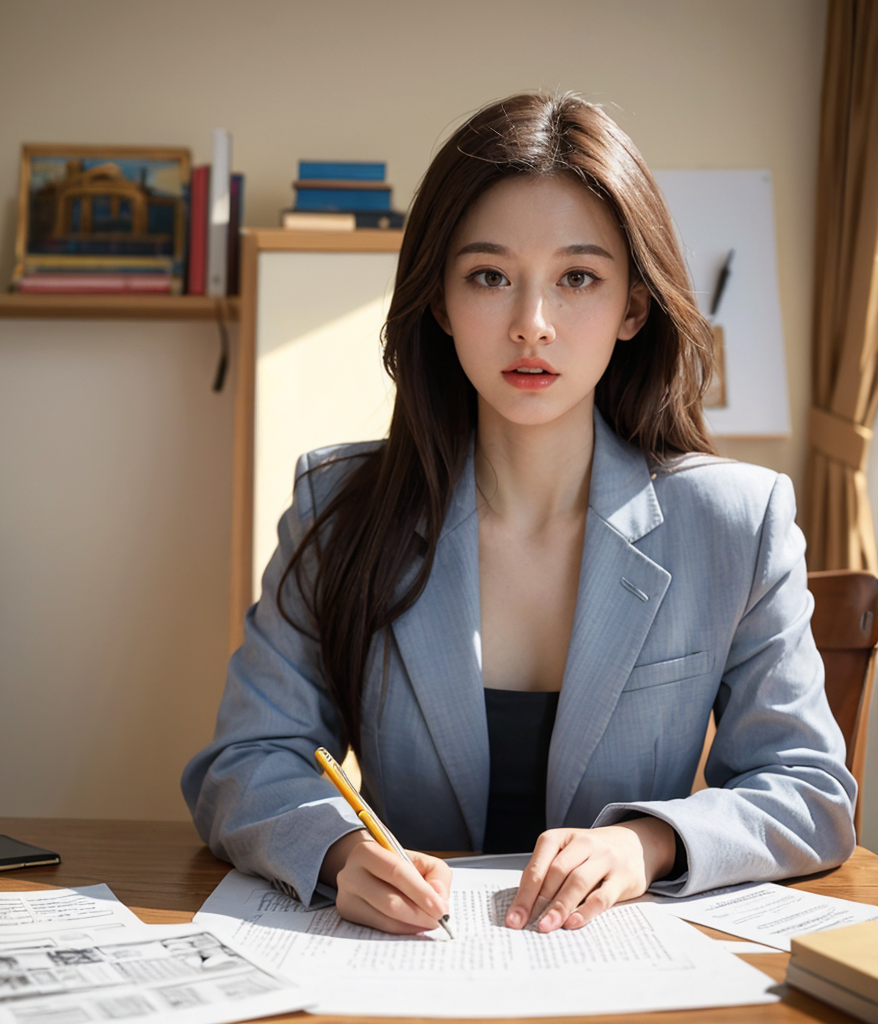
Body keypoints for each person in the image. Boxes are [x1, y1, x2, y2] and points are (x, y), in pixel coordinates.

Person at [183, 92, 856, 937]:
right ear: (439, 301)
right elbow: (244, 761)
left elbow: (807, 789)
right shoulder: (339, 507)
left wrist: (645, 845)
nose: (530, 326)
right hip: (400, 965)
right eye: (489, 277)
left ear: (633, 308)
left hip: (627, 972)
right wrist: (339, 852)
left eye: (577, 278)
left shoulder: (736, 521)